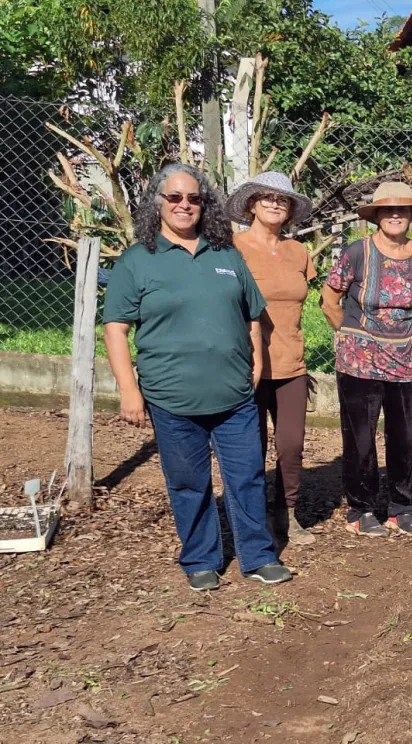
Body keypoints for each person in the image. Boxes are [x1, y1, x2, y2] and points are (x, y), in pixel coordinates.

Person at [103, 163, 290, 591]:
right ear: (157, 202)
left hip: (234, 395)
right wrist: (129, 390)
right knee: (189, 482)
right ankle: (201, 559)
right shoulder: (138, 260)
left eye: (194, 198)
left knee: (247, 476)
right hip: (172, 397)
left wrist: (257, 361)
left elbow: (252, 315)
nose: (184, 205)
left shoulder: (225, 254)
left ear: (205, 205)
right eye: (175, 197)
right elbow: (115, 329)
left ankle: (258, 556)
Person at [320, 182, 412, 538]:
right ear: (376, 216)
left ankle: (401, 508)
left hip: (406, 362)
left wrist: (406, 326)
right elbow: (329, 300)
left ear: (411, 216)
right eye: (388, 210)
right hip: (359, 363)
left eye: (402, 210)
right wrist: (350, 332)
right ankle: (361, 508)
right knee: (360, 438)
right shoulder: (358, 253)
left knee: (402, 437)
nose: (395, 215)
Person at [227, 171, 317, 546]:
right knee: (252, 447)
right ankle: (254, 516)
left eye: (283, 199)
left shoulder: (299, 252)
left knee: (291, 445)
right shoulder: (232, 249)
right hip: (246, 365)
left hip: (291, 364)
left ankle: (287, 513)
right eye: (267, 197)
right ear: (252, 204)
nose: (275, 204)